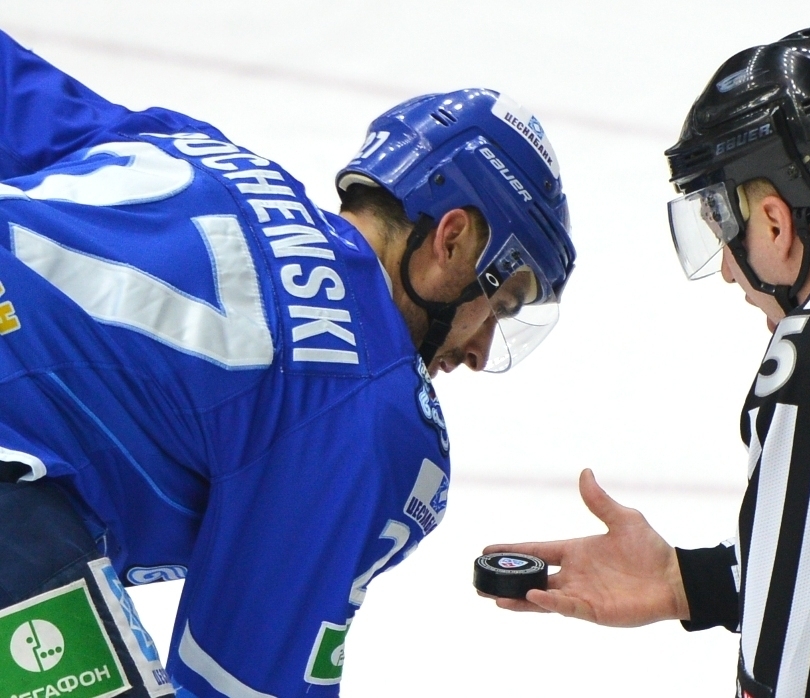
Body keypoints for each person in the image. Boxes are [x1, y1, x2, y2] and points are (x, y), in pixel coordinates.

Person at [0, 27, 575, 698]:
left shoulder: (201, 153)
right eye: (499, 304)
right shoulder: (370, 409)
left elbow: (17, 93)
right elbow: (237, 683)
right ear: (451, 238)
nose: (478, 352)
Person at [483, 27, 810, 698]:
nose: (727, 272)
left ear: (773, 221)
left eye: (723, 230)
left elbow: (797, 672)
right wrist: (693, 582)